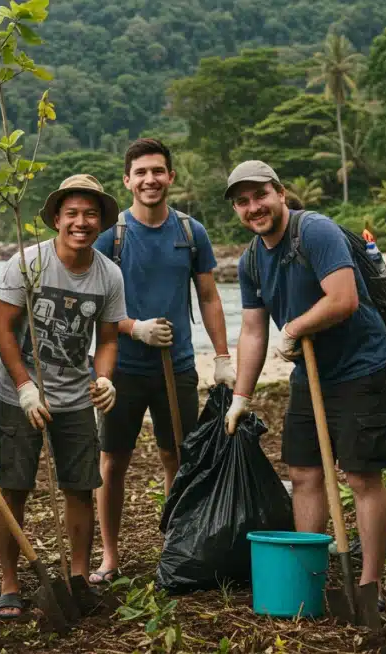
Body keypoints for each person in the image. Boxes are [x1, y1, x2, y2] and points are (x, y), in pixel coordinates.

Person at [223, 160, 386, 602]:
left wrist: (296, 328)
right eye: (242, 202)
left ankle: (369, 585)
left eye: (259, 195)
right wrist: (241, 395)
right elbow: (253, 331)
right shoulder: (251, 260)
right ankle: (310, 574)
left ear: (280, 193)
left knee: (360, 476)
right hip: (311, 374)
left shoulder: (315, 231)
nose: (253, 207)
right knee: (303, 472)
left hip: (362, 367)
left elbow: (344, 300)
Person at [89, 138, 232, 585]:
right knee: (113, 462)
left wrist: (223, 356)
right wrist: (135, 328)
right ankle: (110, 556)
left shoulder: (191, 233)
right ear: (127, 180)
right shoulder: (111, 236)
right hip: (122, 368)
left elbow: (208, 296)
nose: (150, 179)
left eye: (158, 171)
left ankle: (176, 545)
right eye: (141, 172)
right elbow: (96, 303)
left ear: (171, 177)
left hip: (178, 366)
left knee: (177, 458)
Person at [0, 174, 128, 619]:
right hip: (21, 396)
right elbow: (2, 330)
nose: (81, 222)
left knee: (80, 489)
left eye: (91, 214)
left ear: (102, 222)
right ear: (56, 219)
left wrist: (103, 380)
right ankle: (9, 584)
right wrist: (25, 386)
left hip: (75, 398)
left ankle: (78, 578)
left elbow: (107, 340)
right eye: (72, 214)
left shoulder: (109, 275)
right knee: (14, 488)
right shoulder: (27, 263)